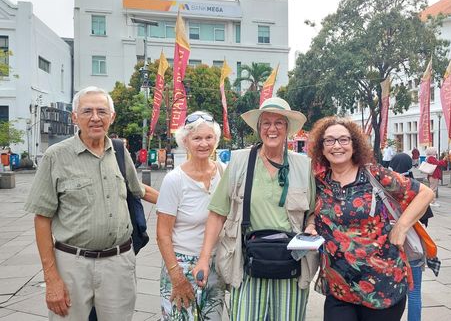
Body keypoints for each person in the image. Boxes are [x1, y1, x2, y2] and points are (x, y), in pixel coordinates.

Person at [24, 86, 159, 320]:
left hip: (119, 264)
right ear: (74, 117)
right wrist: (52, 278)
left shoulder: (119, 151)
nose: (95, 118)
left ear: (112, 117)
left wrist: (183, 205)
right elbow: (42, 218)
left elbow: (139, 190)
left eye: (102, 111)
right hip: (72, 265)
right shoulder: (56, 156)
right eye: (87, 111)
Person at [193, 97, 318, 320]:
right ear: (259, 128)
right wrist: (204, 258)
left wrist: (310, 226)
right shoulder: (240, 162)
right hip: (247, 263)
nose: (272, 129)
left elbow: (312, 213)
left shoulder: (302, 165)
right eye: (266, 123)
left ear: (287, 129)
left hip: (291, 265)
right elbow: (217, 214)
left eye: (279, 123)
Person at [307, 117, 434, 321]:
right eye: (329, 141)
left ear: (354, 144)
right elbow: (311, 209)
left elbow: (425, 194)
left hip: (382, 286)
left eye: (343, 140)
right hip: (339, 289)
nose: (336, 146)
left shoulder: (374, 174)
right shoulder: (318, 183)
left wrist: (401, 227)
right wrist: (311, 223)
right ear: (321, 148)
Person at [155, 111, 225, 320]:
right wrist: (176, 277)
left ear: (216, 140)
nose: (203, 143)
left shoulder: (224, 172)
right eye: (197, 138)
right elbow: (162, 234)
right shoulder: (174, 180)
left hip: (214, 264)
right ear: (185, 142)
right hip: (181, 265)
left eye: (208, 137)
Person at [389, 153, 433, 321]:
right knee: (414, 294)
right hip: (413, 248)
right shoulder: (413, 186)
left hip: (391, 248)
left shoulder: (386, 185)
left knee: (390, 293)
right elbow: (425, 217)